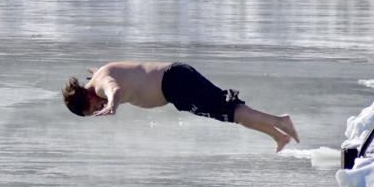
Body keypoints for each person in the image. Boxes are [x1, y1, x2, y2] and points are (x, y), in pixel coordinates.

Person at [61, 61, 299, 152]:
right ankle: (278, 136)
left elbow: (115, 88)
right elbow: (105, 76)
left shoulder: (102, 85)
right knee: (229, 113)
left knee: (232, 111)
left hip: (176, 85)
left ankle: (280, 122)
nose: (98, 109)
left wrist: (112, 104)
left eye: (94, 109)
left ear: (88, 97)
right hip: (177, 83)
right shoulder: (99, 74)